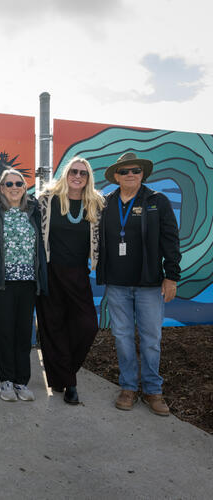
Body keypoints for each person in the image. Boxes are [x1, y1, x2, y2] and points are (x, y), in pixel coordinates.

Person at [97, 152, 181, 416]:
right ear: (116, 176)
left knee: (151, 340)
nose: (130, 174)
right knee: (122, 338)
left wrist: (172, 276)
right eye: (124, 171)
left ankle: (153, 391)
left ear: (142, 174)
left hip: (149, 285)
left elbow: (171, 240)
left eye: (135, 170)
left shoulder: (157, 201)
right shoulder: (105, 204)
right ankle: (129, 387)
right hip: (117, 285)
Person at [37, 158, 104, 404]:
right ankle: (69, 384)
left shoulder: (95, 204)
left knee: (87, 326)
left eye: (83, 173)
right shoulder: (48, 200)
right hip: (51, 273)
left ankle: (63, 374)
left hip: (78, 275)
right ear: (65, 174)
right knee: (52, 328)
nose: (78, 176)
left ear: (88, 178)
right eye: (73, 171)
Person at [0, 169, 47, 402]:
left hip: (29, 282)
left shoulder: (34, 211)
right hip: (1, 283)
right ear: (1, 188)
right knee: (5, 332)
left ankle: (22, 382)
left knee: (24, 334)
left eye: (19, 184)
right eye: (9, 183)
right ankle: (6, 381)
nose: (14, 187)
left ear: (25, 187)